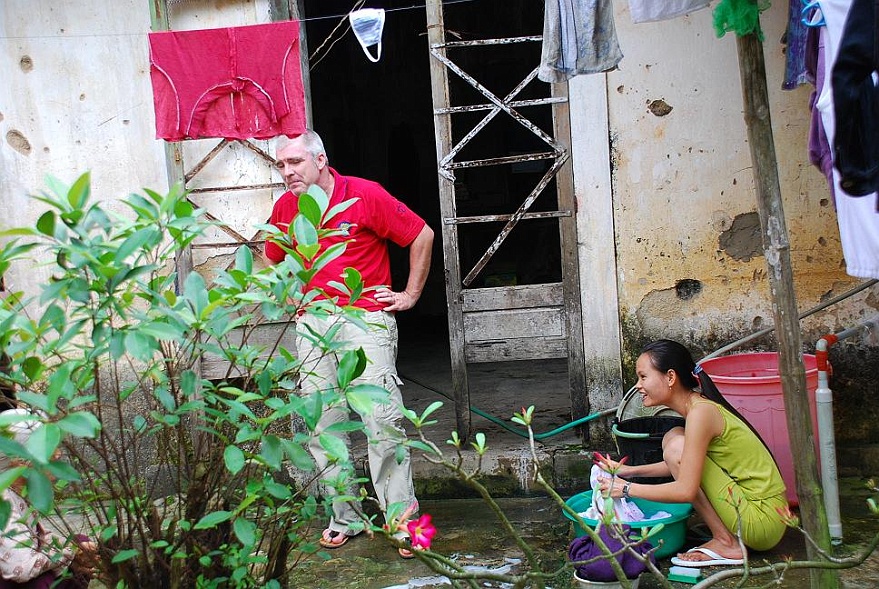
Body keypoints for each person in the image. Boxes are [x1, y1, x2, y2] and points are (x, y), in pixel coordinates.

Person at [264, 130, 434, 558]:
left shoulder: (363, 194)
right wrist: (288, 294)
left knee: (382, 420)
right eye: (281, 165)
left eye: (295, 163)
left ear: (320, 159)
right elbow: (270, 257)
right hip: (313, 326)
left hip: (364, 319)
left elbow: (421, 234)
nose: (287, 172)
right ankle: (345, 517)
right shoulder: (287, 207)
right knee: (325, 426)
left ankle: (402, 522)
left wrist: (410, 295)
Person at [596, 340, 787, 567]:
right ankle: (726, 538)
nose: (638, 385)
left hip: (762, 520)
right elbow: (687, 464)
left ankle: (726, 542)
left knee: (676, 444)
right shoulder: (698, 408)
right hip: (763, 514)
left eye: (643, 377)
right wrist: (628, 470)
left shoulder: (701, 413)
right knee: (674, 436)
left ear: (670, 377)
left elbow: (686, 488)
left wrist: (626, 489)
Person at [0, 409, 98, 587]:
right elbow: (21, 568)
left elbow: (36, 540)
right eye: (48, 447)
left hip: (23, 561)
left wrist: (75, 552)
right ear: (20, 462)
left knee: (82, 541)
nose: (58, 454)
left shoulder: (20, 492)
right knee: (40, 582)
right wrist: (70, 555)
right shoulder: (4, 500)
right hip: (15, 572)